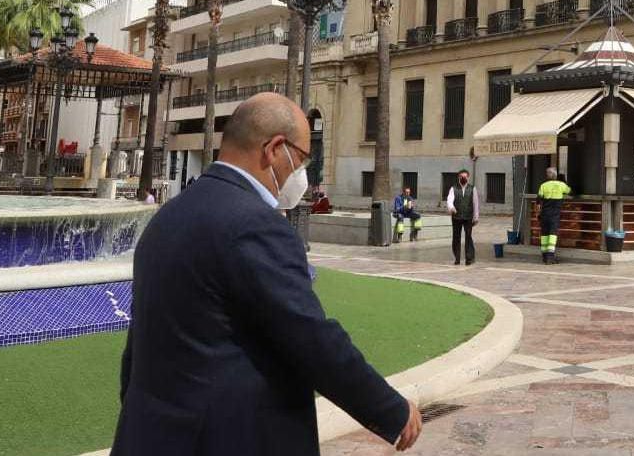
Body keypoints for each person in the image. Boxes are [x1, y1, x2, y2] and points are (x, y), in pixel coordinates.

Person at [112, 92, 421, 455]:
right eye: (302, 160)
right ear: (274, 149)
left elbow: (139, 346)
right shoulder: (255, 224)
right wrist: (390, 410)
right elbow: (310, 336)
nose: (303, 175)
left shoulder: (165, 218)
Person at [536, 167, 571, 264]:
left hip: (544, 214)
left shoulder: (543, 186)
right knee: (552, 235)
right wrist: (564, 181)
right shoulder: (561, 185)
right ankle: (550, 257)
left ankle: (544, 256)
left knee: (544, 235)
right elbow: (570, 191)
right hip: (554, 215)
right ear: (556, 175)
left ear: (547, 176)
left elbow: (538, 202)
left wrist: (538, 214)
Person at [445, 169, 480, 266]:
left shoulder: (472, 188)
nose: (463, 178)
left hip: (468, 217)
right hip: (456, 217)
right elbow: (449, 200)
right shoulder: (453, 188)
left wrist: (476, 217)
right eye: (461, 177)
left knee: (468, 237)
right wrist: (451, 208)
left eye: (465, 177)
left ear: (468, 177)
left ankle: (469, 258)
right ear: (458, 177)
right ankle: (457, 258)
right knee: (456, 238)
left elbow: (475, 203)